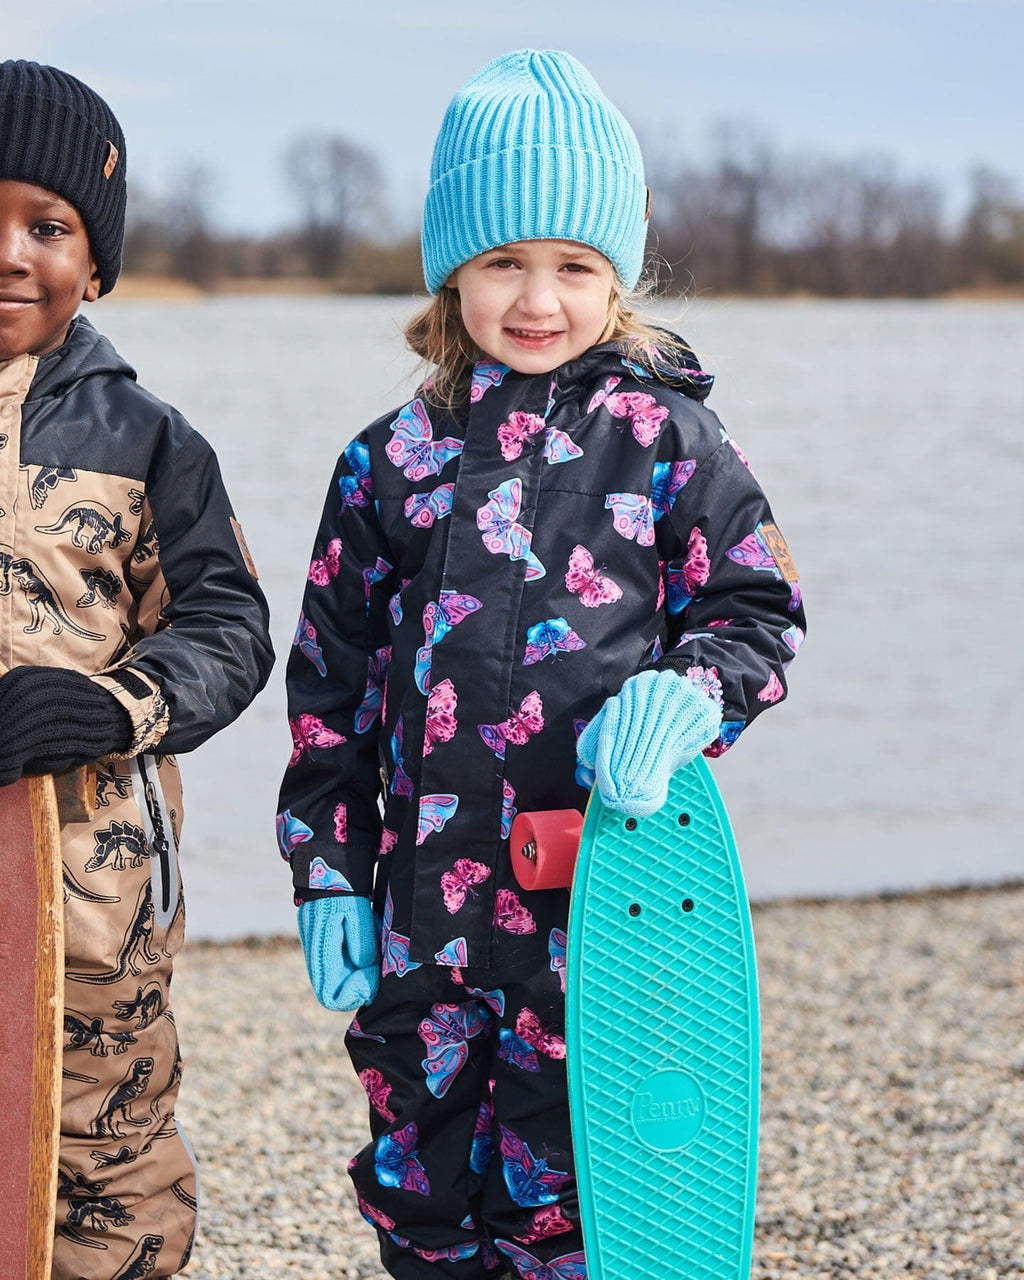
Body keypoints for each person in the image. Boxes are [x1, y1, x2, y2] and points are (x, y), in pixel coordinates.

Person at [278, 49, 805, 1280]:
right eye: (502, 260)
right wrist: (326, 871)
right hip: (422, 923)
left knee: (579, 1200)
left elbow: (755, 605)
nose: (536, 296)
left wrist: (688, 696)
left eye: (573, 265)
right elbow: (328, 689)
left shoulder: (665, 436)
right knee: (419, 1187)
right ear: (448, 265)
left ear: (616, 273)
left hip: (602, 918)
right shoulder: (386, 463)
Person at [0, 60, 273, 1278]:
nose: (10, 252)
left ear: (94, 261)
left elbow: (230, 623)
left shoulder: (147, 438)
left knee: (105, 1170)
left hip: (91, 901)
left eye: (46, 226)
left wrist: (114, 701)